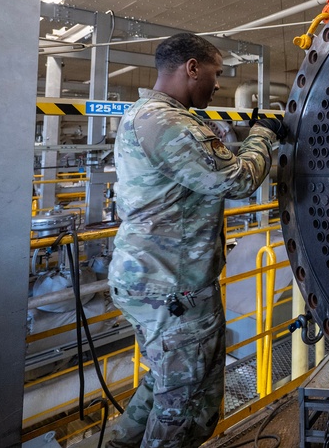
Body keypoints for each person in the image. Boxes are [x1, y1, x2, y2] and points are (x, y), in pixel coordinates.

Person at [106, 33, 289, 447]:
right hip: (171, 286)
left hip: (161, 280)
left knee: (168, 383)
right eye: (216, 73)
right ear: (192, 68)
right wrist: (264, 134)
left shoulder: (150, 114)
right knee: (186, 406)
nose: (219, 84)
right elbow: (236, 179)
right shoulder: (165, 120)